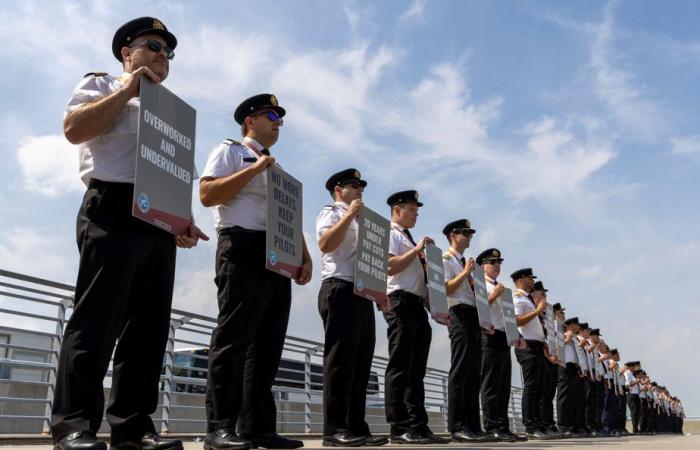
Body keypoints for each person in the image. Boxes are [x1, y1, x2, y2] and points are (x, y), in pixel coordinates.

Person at [51, 17, 208, 450]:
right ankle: (74, 426)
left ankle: (134, 427)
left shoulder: (172, 112)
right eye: (153, 45)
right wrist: (129, 90)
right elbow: (74, 130)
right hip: (113, 208)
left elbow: (174, 176)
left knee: (149, 330)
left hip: (157, 223)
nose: (162, 55)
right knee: (96, 320)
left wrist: (184, 220)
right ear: (127, 52)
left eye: (168, 52)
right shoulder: (102, 84)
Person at [200, 94, 312, 450]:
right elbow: (207, 193)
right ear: (250, 120)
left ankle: (257, 427)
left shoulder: (277, 169)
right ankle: (220, 427)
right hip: (242, 247)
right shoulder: (231, 151)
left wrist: (304, 256)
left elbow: (288, 218)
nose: (279, 121)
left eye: (280, 116)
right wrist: (252, 170)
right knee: (234, 339)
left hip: (277, 256)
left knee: (268, 347)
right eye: (272, 114)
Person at [315, 169, 387, 447]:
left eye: (361, 186)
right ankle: (334, 429)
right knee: (340, 362)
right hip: (339, 288)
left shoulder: (363, 222)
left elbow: (369, 262)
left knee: (361, 364)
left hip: (362, 294)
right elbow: (325, 243)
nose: (359, 190)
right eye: (353, 185)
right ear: (338, 190)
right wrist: (348, 215)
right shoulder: (330, 212)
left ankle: (356, 426)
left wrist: (379, 293)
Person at [383, 190, 445, 444]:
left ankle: (418, 425)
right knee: (400, 366)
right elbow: (389, 266)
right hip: (399, 302)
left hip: (417, 305)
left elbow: (420, 280)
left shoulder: (409, 239)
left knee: (416, 370)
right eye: (411, 209)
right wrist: (418, 249)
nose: (416, 214)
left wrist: (436, 307)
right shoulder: (391, 234)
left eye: (417, 211)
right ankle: (399, 427)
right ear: (397, 210)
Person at [440, 220, 490, 443]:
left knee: (473, 373)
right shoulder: (446, 259)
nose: (469, 236)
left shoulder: (463, 262)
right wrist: (466, 272)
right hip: (458, 312)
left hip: (473, 315)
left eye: (470, 233)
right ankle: (458, 425)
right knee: (460, 370)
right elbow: (444, 288)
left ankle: (472, 425)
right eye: (465, 233)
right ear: (453, 235)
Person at [477, 249, 525, 442]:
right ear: (482, 266)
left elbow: (508, 317)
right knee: (490, 384)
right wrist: (494, 295)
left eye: (499, 262)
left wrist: (517, 335)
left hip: (504, 338)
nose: (497, 265)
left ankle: (503, 426)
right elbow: (478, 308)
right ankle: (492, 426)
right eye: (492, 261)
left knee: (503, 385)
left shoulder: (502, 289)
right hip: (489, 335)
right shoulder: (479, 284)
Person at [511, 268, 552, 440]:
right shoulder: (518, 298)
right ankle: (531, 425)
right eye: (529, 278)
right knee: (532, 387)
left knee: (539, 388)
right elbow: (516, 320)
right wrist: (536, 310)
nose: (532, 281)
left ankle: (539, 424)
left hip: (537, 347)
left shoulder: (528, 300)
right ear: (520, 280)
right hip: (526, 346)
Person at [556, 316, 581, 437]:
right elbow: (556, 348)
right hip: (563, 366)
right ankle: (562, 425)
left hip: (573, 367)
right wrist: (567, 338)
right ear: (571, 325)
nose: (578, 327)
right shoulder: (560, 333)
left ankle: (571, 426)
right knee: (564, 397)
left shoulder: (575, 338)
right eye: (576, 325)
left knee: (572, 398)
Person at [624, 361, 641, 434]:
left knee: (637, 412)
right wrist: (636, 382)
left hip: (636, 395)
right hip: (631, 394)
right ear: (630, 367)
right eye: (633, 367)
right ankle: (634, 429)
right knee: (634, 412)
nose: (634, 368)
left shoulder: (632, 374)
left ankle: (636, 428)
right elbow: (628, 384)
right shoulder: (627, 373)